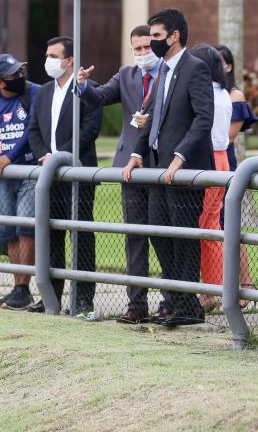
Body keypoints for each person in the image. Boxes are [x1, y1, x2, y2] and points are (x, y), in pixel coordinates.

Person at [121, 7, 214, 327]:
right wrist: (137, 153)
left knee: (182, 238)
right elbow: (150, 117)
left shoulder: (195, 68)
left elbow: (204, 118)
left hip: (183, 172)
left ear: (175, 36)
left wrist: (180, 156)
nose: (153, 42)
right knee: (160, 234)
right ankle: (177, 299)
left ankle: (189, 306)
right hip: (158, 170)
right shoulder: (162, 70)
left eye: (157, 36)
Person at [77, 25, 162, 325]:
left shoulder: (169, 72)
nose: (142, 54)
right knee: (135, 236)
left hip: (160, 163)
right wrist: (84, 85)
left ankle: (174, 299)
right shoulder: (126, 75)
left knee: (166, 237)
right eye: (137, 49)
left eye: (147, 47)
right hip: (130, 167)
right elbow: (98, 97)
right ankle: (136, 305)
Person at [28, 36, 103, 315]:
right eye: (47, 55)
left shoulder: (87, 89)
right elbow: (33, 129)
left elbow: (90, 129)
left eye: (54, 55)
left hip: (79, 171)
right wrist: (45, 156)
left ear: (69, 60)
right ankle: (51, 295)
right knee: (51, 234)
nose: (48, 60)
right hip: (49, 176)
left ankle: (83, 297)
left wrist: (64, 156)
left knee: (81, 232)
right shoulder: (44, 92)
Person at [0, 53, 40, 311]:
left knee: (26, 229)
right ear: (1, 82)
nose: (20, 77)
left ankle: (24, 288)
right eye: (14, 75)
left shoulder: (33, 93)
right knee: (9, 232)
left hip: (29, 172)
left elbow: (32, 129)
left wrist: (10, 157)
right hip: (1, 177)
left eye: (20, 71)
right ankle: (17, 288)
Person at [192, 44, 232, 313]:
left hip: (210, 159)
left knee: (205, 227)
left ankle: (210, 290)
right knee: (212, 225)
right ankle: (213, 287)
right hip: (221, 160)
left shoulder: (209, 96)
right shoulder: (224, 93)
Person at [216, 45, 256, 305]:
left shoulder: (234, 95)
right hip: (205, 161)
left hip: (225, 163)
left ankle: (247, 285)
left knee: (228, 224)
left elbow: (229, 135)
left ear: (228, 66)